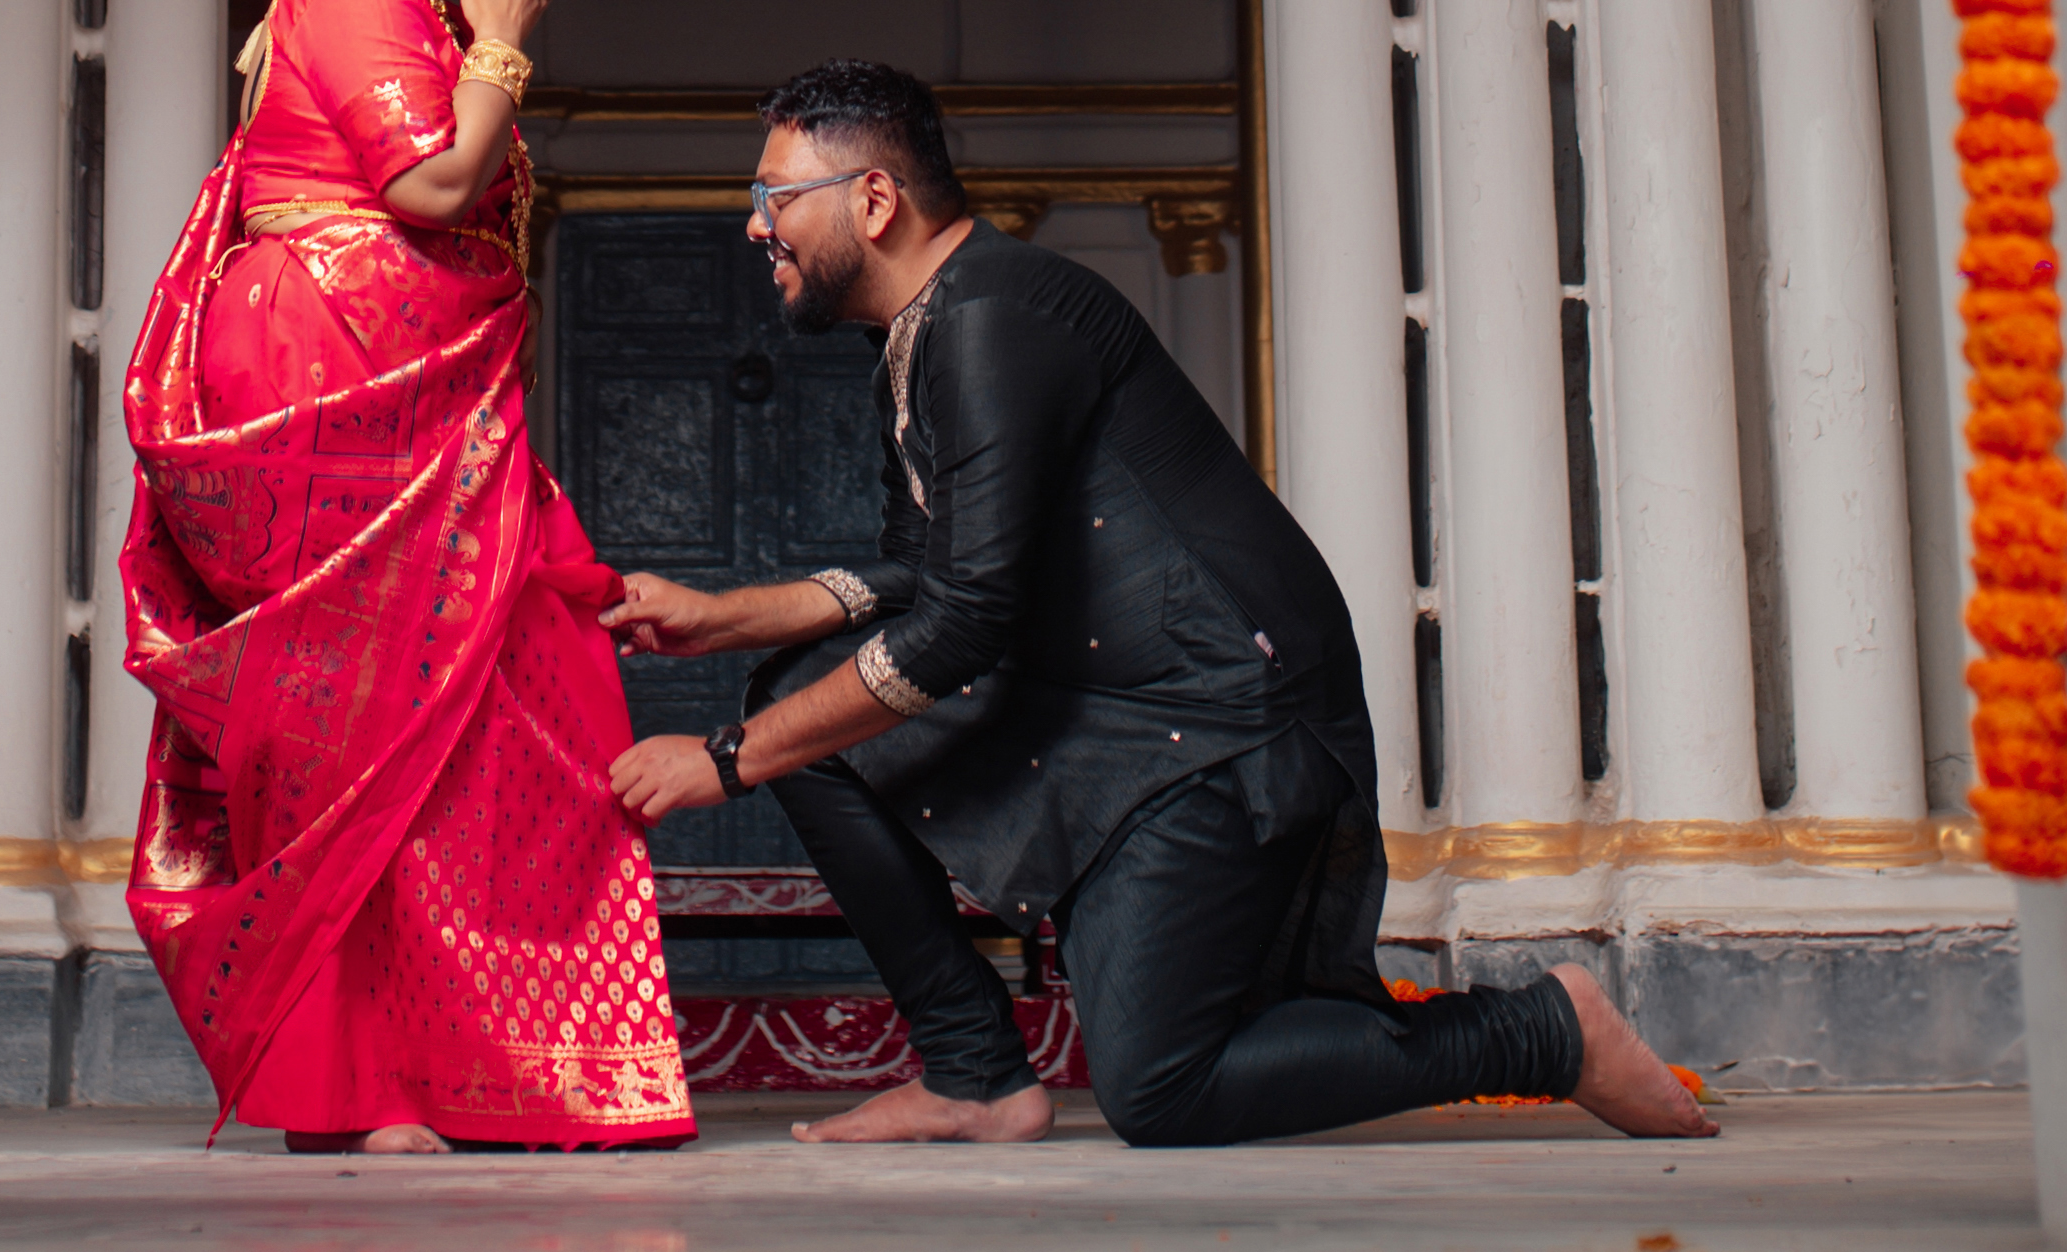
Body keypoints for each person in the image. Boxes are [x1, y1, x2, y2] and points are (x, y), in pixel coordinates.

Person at [601, 58, 1709, 1150]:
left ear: (875, 200)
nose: (755, 226)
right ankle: (976, 1074)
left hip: (1223, 725)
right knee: (798, 694)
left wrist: (731, 757)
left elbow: (963, 624)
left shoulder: (994, 316)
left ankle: (1542, 1031)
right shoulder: (921, 334)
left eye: (774, 197)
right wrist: (723, 615)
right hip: (1113, 711)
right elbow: (923, 574)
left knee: (1164, 1090)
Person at [113, 0, 696, 1154]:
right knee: (363, 730)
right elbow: (430, 180)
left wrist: (485, 38)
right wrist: (502, 42)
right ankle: (358, 1085)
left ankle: (476, 1058)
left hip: (402, 383)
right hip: (339, 375)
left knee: (489, 700)